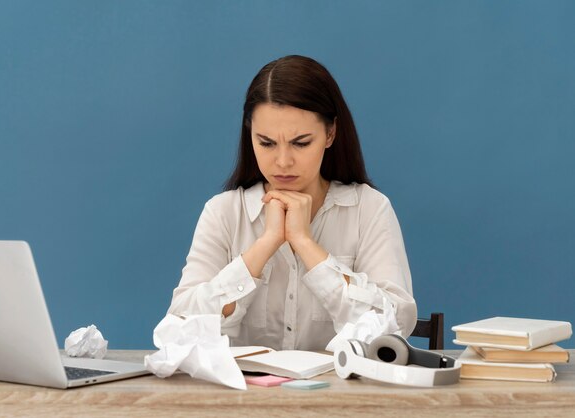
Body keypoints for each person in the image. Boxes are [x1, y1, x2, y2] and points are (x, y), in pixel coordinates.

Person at [168, 55, 417, 351]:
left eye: (301, 143)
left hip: (342, 392)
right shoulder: (223, 211)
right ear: (250, 135)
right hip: (244, 394)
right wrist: (266, 244)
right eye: (266, 142)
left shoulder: (369, 208)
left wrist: (306, 244)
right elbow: (180, 326)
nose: (283, 162)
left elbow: (395, 326)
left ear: (330, 133)